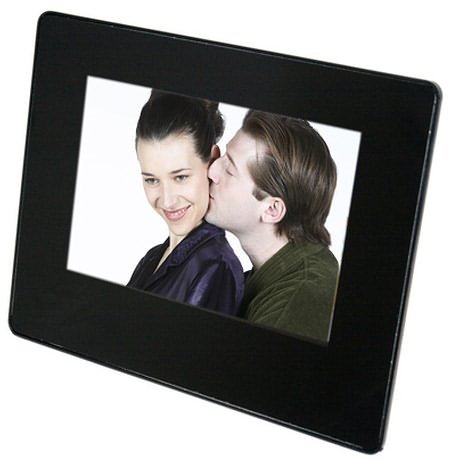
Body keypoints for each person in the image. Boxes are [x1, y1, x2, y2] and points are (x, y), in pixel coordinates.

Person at [206, 109, 338, 342]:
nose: (211, 170)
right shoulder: (266, 277)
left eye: (229, 170)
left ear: (271, 210)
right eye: (224, 156)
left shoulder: (298, 300)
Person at [127, 90, 244, 316]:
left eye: (180, 177)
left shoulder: (215, 267)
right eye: (152, 180)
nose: (167, 200)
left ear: (212, 159)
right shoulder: (151, 259)